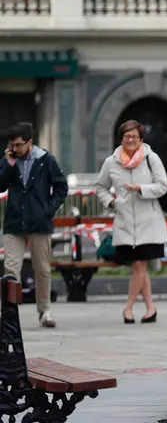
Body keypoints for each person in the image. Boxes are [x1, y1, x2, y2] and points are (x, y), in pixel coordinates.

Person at [95, 120, 167, 324]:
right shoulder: (111, 162)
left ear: (141, 139)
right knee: (139, 267)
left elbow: (162, 186)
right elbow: (100, 187)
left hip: (149, 222)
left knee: (139, 264)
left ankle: (128, 308)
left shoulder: (151, 158)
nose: (130, 140)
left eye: (134, 137)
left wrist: (141, 189)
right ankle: (150, 308)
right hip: (125, 222)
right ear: (121, 139)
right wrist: (111, 202)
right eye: (127, 136)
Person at [0, 122, 68, 328]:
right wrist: (8, 164)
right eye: (11, 145)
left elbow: (61, 187)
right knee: (11, 269)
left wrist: (48, 209)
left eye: (18, 145)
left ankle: (44, 311)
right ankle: (10, 313)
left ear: (29, 142)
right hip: (14, 222)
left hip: (39, 223)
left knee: (42, 269)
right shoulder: (9, 159)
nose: (14, 149)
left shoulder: (45, 160)